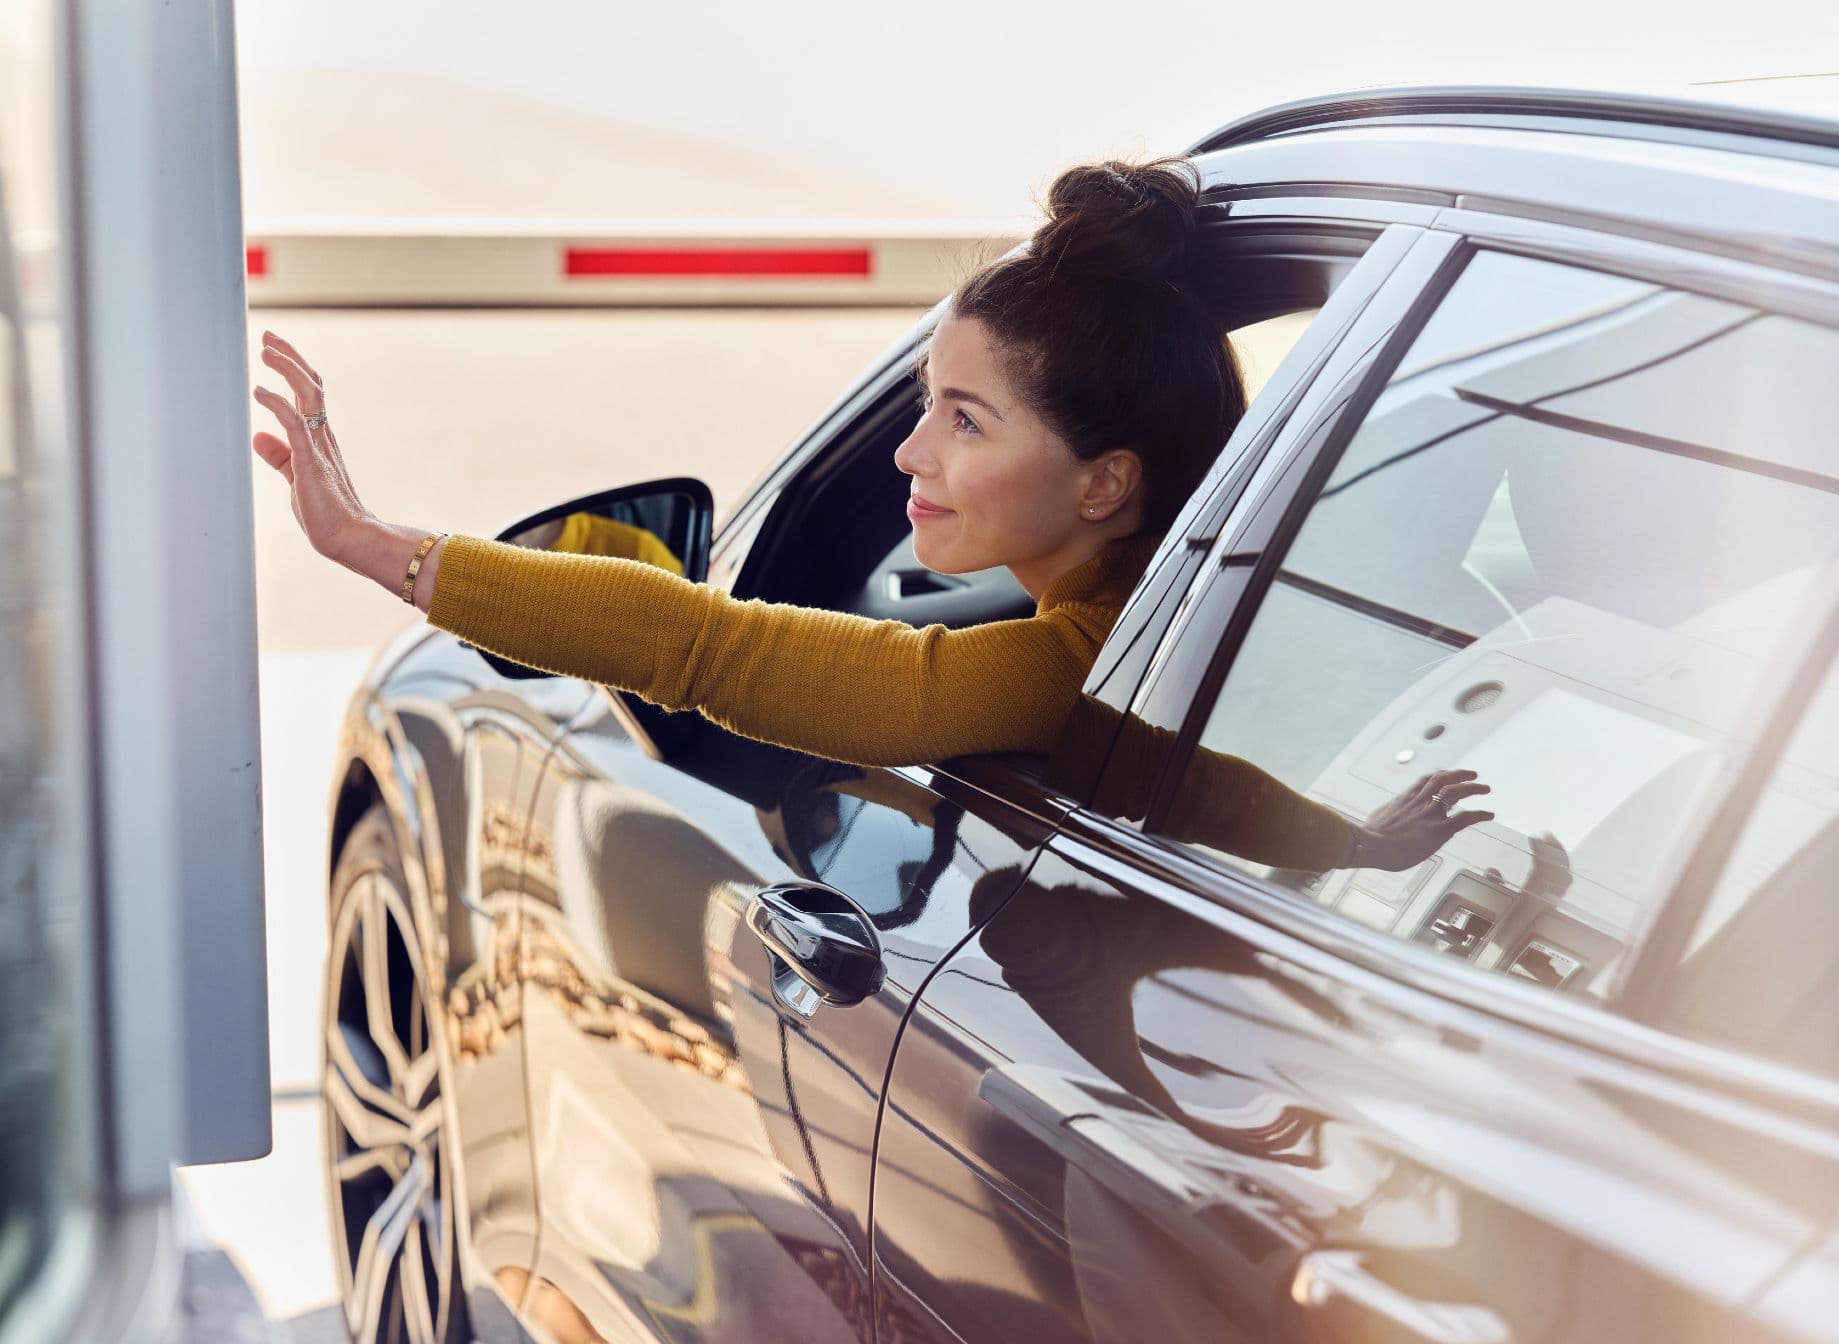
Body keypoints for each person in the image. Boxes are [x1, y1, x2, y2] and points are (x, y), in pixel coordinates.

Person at [252, 157, 1491, 874]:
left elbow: (700, 648)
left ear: (1105, 481)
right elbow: (1214, 789)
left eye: (966, 420)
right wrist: (1349, 846)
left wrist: (377, 548)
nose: (908, 451)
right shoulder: (1177, 622)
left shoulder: (1067, 671)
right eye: (923, 403)